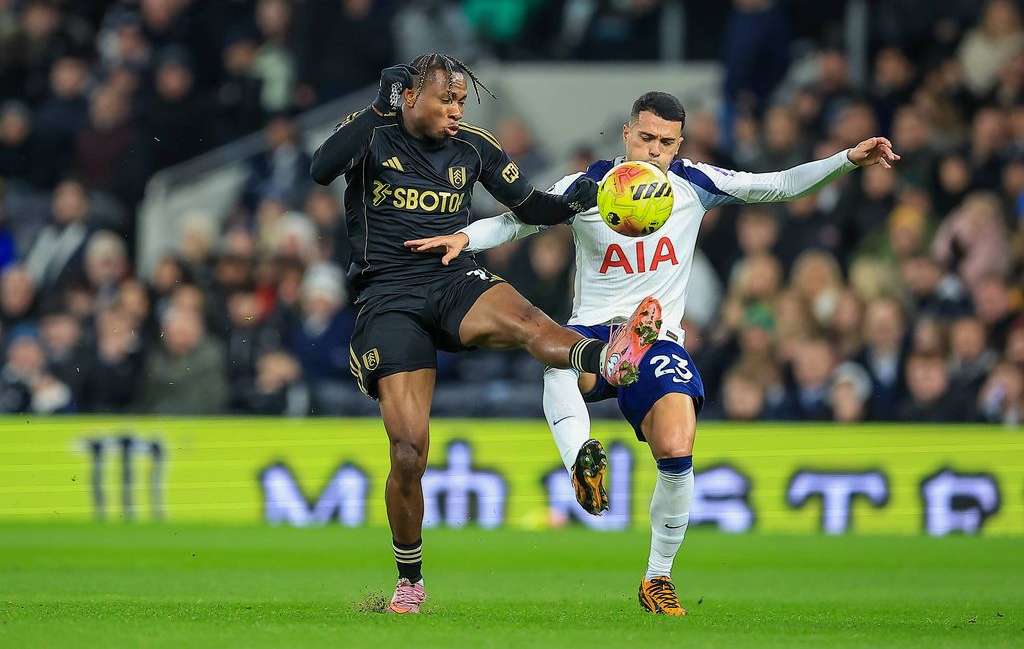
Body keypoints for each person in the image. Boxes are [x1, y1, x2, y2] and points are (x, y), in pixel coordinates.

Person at [408, 91, 900, 615]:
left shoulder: (693, 184)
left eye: (666, 142)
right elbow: (519, 219)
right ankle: (583, 466)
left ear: (679, 144)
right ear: (627, 134)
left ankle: (656, 579)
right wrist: (464, 236)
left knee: (677, 447)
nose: (654, 150)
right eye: (646, 138)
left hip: (656, 339)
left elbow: (774, 186)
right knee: (559, 362)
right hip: (594, 330)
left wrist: (846, 160)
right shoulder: (588, 188)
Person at [308, 54, 658, 614]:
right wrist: (377, 109)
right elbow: (321, 169)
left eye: (460, 102)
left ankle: (608, 358)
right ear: (410, 97)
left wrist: (585, 199)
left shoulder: (474, 146)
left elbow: (530, 206)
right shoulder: (373, 133)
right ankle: (410, 579)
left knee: (527, 322)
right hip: (388, 296)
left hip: (451, 277)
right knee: (408, 453)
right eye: (444, 100)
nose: (454, 110)